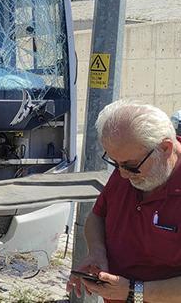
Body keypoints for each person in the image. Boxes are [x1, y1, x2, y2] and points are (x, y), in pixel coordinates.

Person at [67, 100, 181, 303]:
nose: (123, 175)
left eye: (130, 166)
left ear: (165, 148)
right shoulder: (131, 161)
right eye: (114, 163)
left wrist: (133, 292)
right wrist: (97, 253)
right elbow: (98, 216)